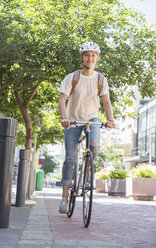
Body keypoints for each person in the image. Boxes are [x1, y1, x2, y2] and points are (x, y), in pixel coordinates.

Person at [58, 42, 115, 213]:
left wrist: (110, 119)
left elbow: (106, 102)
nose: (90, 58)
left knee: (94, 149)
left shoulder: (100, 79)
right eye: (87, 55)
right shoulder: (72, 78)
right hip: (73, 120)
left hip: (92, 119)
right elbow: (62, 100)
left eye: (93, 55)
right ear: (82, 58)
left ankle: (86, 176)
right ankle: (65, 197)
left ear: (97, 58)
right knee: (69, 158)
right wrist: (64, 118)